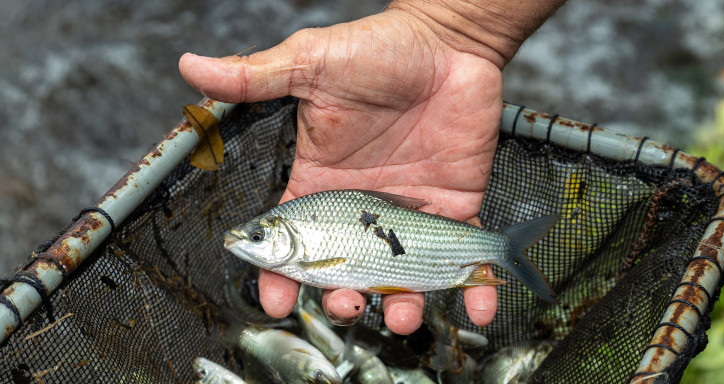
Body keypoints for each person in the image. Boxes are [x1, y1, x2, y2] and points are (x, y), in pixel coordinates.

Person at [179, 0, 566, 335]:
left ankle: (504, 248)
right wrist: (450, 29)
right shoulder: (301, 237)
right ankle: (503, 248)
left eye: (258, 237)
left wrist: (447, 30)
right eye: (257, 237)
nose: (246, 241)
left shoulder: (304, 251)